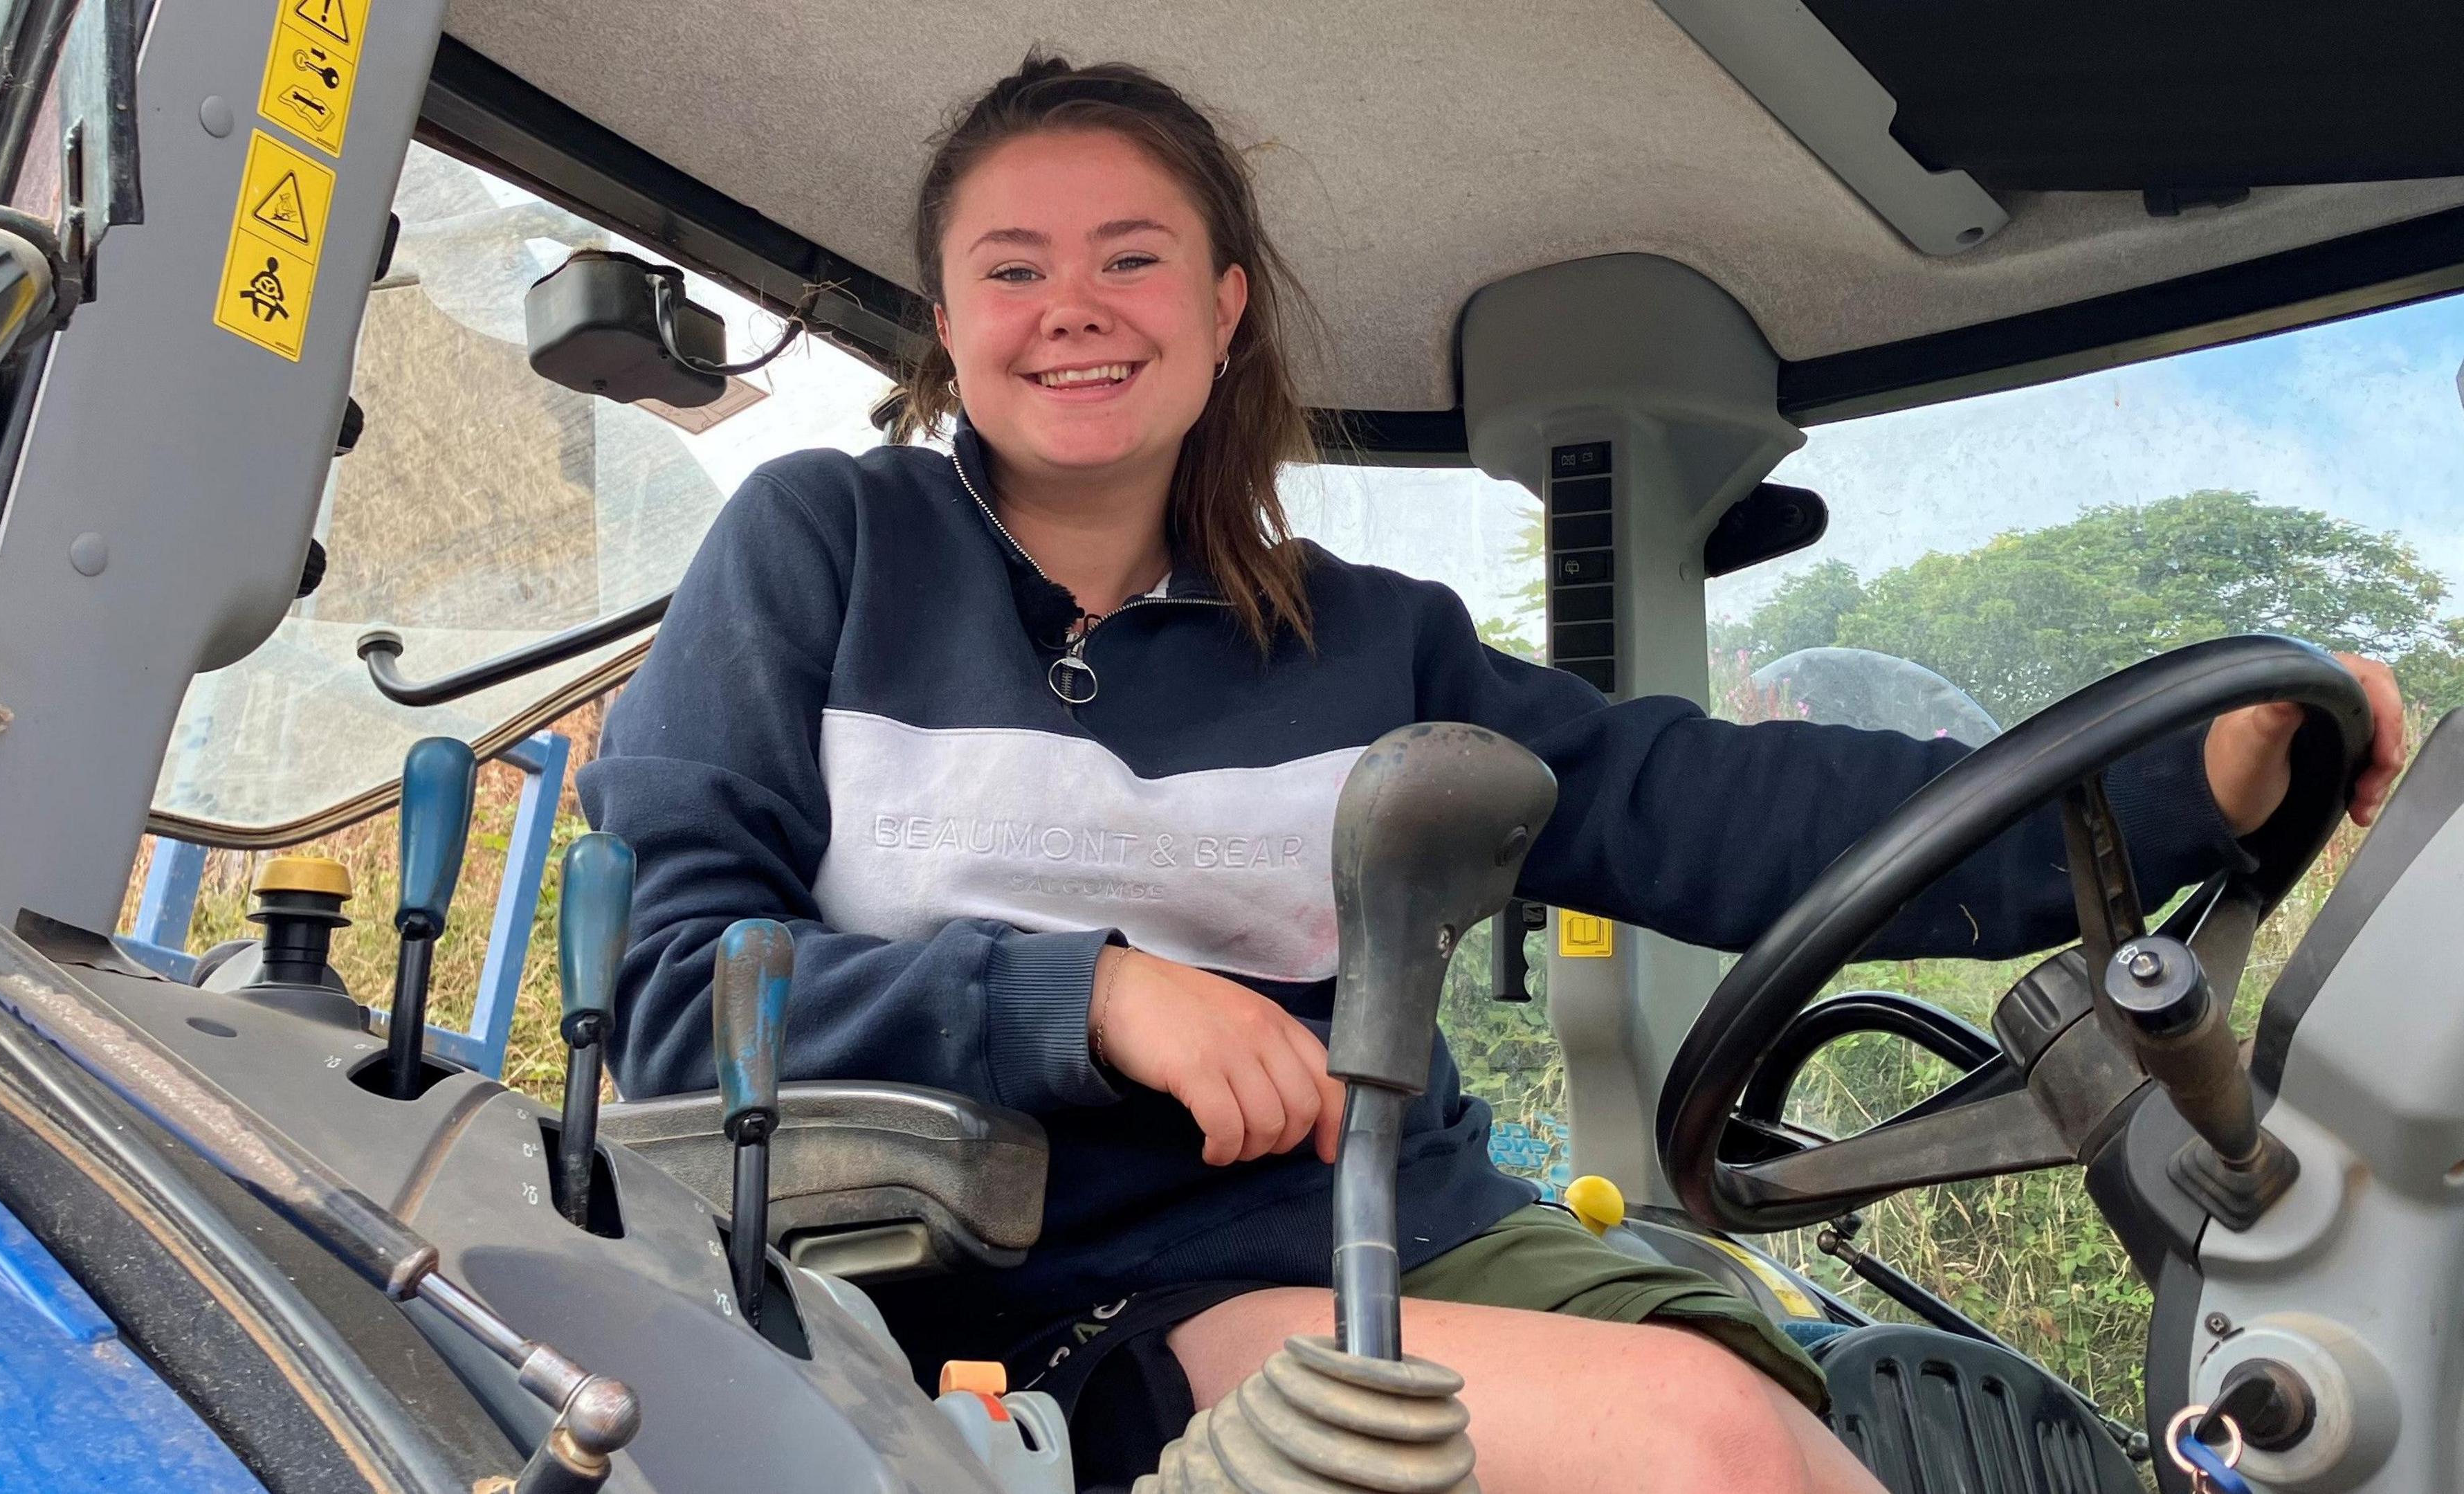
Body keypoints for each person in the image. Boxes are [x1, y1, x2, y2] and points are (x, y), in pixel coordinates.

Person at [576, 55, 2409, 1494]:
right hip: (987, 1302)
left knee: (1830, 1405)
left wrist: (2182, 786)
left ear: (1223, 313)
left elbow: (1734, 815)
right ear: (948, 323)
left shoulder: (1370, 646)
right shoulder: (825, 548)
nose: (1076, 307)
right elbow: (666, 1004)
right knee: (1702, 1452)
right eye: (1014, 267)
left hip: (1382, 1228)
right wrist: (1087, 998)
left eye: (1132, 259)